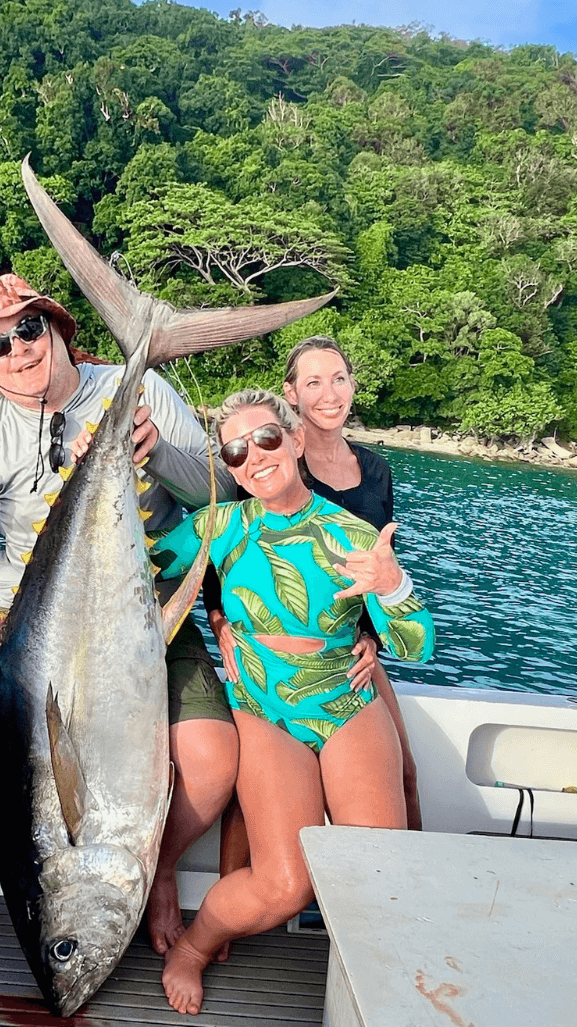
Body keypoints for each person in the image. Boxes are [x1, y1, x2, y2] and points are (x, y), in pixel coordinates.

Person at [0, 273, 239, 964]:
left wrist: (156, 450)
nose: (16, 350)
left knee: (213, 762)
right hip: (25, 618)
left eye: (27, 330)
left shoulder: (142, 391)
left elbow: (211, 497)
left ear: (57, 330)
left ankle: (155, 871)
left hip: (144, 607)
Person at [152, 389, 434, 1015]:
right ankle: (194, 949)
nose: (253, 456)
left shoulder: (352, 535)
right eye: (235, 449)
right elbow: (136, 565)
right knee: (284, 888)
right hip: (263, 711)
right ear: (225, 466)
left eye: (267, 438)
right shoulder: (215, 528)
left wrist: (390, 588)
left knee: (379, 875)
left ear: (297, 440)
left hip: (345, 701)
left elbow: (416, 644)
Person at [282, 334, 422, 828]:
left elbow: (380, 570)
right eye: (314, 382)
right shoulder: (277, 465)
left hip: (354, 648)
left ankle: (409, 899)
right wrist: (218, 621)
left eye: (339, 379)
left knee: (405, 775)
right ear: (291, 393)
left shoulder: (376, 469)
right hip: (291, 651)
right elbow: (234, 550)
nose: (330, 393)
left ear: (353, 386)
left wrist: (373, 640)